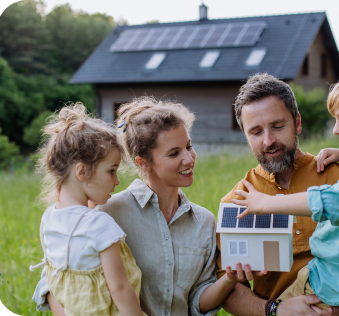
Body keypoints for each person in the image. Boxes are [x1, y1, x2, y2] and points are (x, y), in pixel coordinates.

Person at [32, 97, 260, 316]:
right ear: (143, 162)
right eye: (174, 153)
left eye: (188, 146)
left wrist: (230, 279)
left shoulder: (204, 222)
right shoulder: (107, 212)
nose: (189, 159)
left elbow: (196, 302)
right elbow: (58, 278)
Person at [217, 72, 339, 316]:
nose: (268, 140)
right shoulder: (239, 202)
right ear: (246, 136)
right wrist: (275, 310)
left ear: (297, 123)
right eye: (256, 132)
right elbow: (229, 289)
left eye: (278, 126)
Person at [30, 103, 146, 316]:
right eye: (111, 171)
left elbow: (55, 281)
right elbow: (119, 287)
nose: (117, 181)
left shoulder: (49, 219)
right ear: (82, 171)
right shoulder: (99, 224)